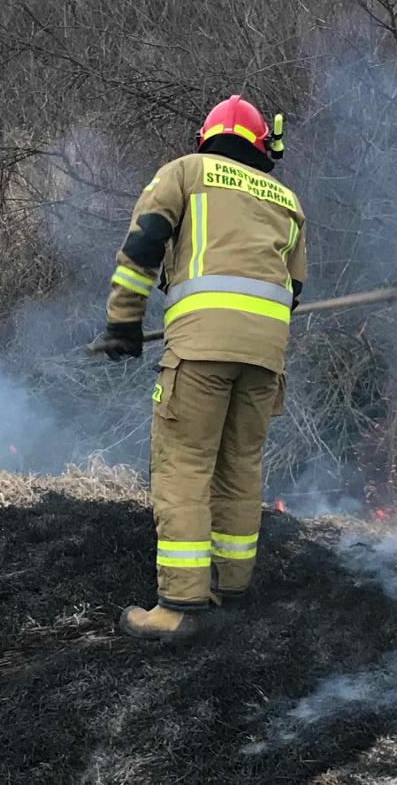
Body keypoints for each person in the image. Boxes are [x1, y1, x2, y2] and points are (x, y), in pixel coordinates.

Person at [93, 95, 307, 640]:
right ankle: (229, 585)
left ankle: (177, 608)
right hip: (265, 357)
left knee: (184, 465)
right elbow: (294, 289)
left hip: (201, 351)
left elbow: (143, 246)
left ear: (206, 137)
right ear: (263, 146)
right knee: (239, 465)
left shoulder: (186, 172)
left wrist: (122, 324)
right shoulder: (286, 199)